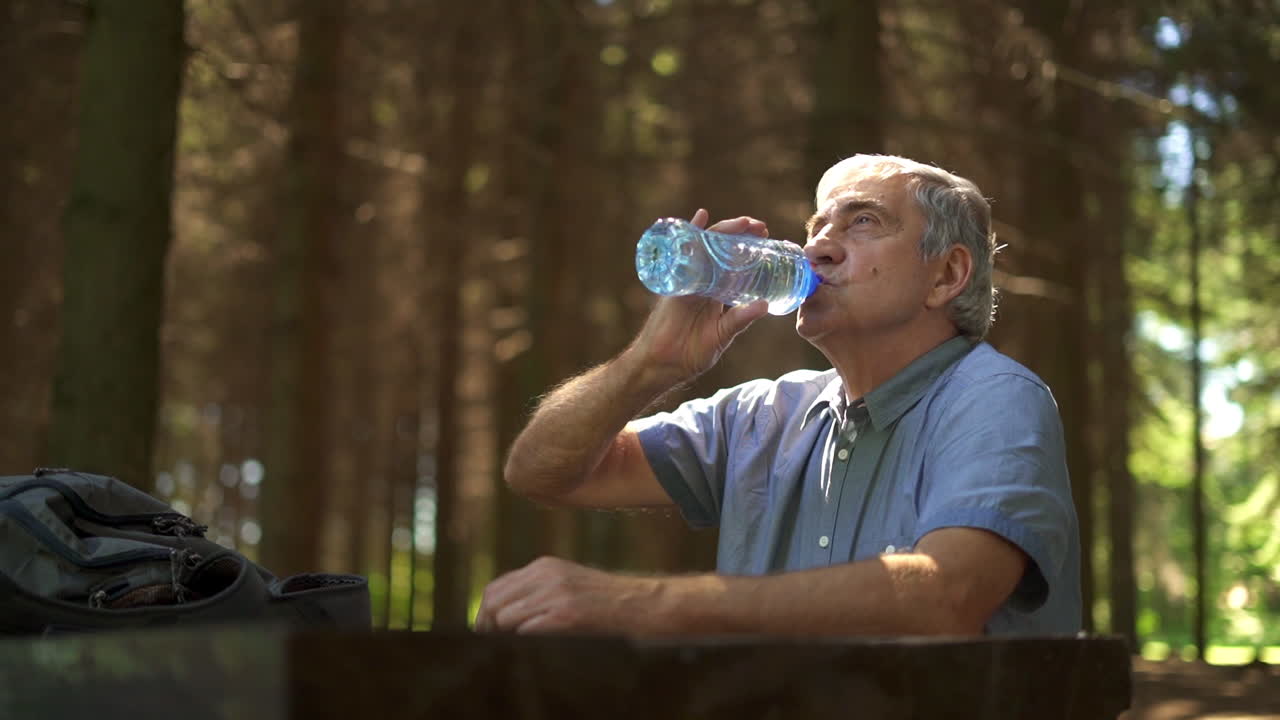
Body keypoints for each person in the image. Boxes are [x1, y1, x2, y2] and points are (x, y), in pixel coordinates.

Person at [475, 154, 1081, 637]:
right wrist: (647, 365)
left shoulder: (993, 397)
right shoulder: (763, 415)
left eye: (864, 222)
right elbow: (541, 472)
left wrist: (639, 602)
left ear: (946, 275)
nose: (817, 247)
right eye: (818, 227)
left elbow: (949, 594)